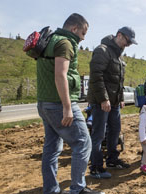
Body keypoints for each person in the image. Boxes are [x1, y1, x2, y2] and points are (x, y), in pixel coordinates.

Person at [36, 13, 103, 194]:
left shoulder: (51, 40)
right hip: (59, 104)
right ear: (74, 29)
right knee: (83, 142)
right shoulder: (65, 43)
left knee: (52, 148)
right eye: (83, 33)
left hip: (45, 103)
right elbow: (60, 75)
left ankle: (51, 190)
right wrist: (67, 107)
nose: (83, 38)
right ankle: (78, 189)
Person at [87, 26, 137, 179]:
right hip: (101, 102)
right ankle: (96, 167)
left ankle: (112, 161)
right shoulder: (102, 51)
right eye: (127, 42)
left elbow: (118, 82)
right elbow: (96, 77)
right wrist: (103, 99)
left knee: (115, 132)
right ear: (119, 36)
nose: (127, 46)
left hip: (114, 103)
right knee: (99, 135)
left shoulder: (118, 56)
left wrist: (120, 99)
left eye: (130, 44)